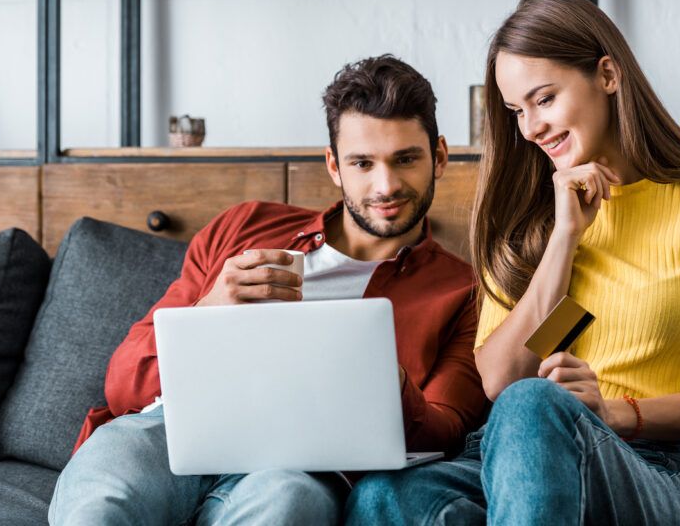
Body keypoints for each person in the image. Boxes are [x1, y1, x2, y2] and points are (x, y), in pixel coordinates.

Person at [345, 0, 680, 525]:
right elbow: (500, 379)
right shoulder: (527, 212)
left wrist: (607, 411)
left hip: (642, 464)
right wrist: (565, 236)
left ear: (608, 75)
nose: (530, 128)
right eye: (516, 111)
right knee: (382, 495)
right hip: (503, 455)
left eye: (544, 100)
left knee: (534, 404)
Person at [48, 55, 486, 525]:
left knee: (286, 506)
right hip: (168, 430)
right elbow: (122, 386)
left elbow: (445, 432)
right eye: (363, 163)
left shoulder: (463, 293)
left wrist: (382, 378)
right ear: (334, 166)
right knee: (102, 499)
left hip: (300, 464)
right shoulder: (245, 225)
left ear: (438, 157)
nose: (386, 185)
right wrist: (210, 309)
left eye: (406, 159)